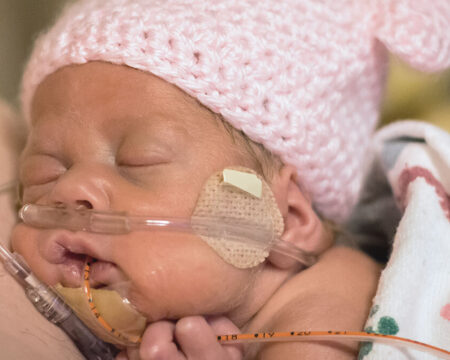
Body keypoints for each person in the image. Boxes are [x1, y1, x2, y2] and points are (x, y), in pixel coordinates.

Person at [9, 0, 449, 359]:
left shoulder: (324, 316)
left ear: (286, 219)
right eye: (45, 173)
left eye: (137, 161)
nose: (70, 191)